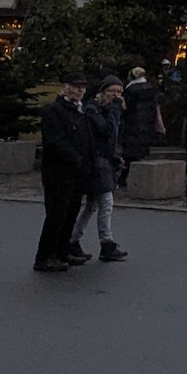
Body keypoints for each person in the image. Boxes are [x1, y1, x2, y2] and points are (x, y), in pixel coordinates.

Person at [35, 73, 94, 272]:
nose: (80, 91)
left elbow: (87, 137)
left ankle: (62, 251)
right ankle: (44, 256)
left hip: (77, 172)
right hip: (58, 172)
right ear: (66, 87)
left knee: (70, 213)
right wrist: (75, 157)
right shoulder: (54, 110)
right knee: (56, 215)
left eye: (83, 88)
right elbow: (54, 140)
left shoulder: (80, 111)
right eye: (76, 87)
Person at [72, 76, 127, 262]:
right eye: (112, 91)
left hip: (104, 161)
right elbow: (105, 130)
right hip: (95, 162)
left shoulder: (108, 109)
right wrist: (114, 111)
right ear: (103, 92)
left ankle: (72, 239)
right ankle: (106, 243)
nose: (116, 95)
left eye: (119, 92)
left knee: (92, 205)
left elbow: (112, 138)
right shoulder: (92, 109)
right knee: (106, 202)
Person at [118, 67, 162, 184]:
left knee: (129, 153)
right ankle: (140, 180)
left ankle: (123, 179)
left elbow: (128, 109)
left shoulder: (130, 90)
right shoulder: (150, 89)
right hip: (147, 125)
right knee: (141, 152)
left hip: (133, 124)